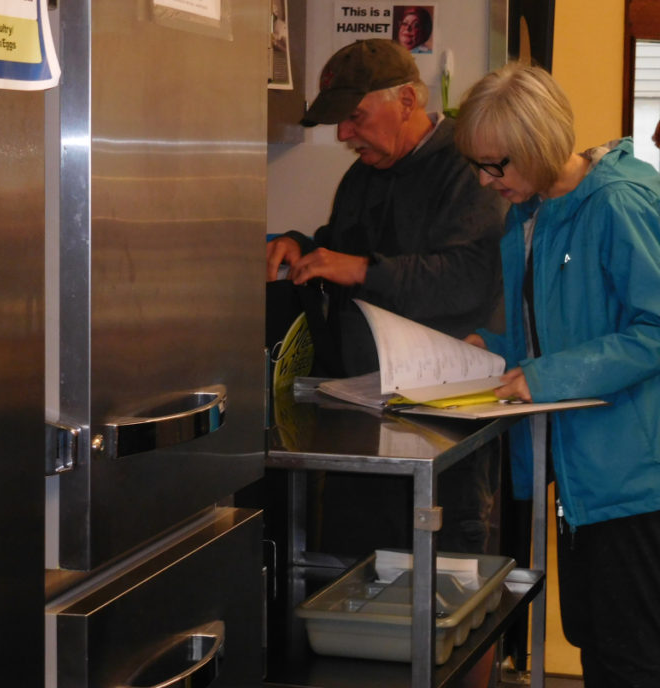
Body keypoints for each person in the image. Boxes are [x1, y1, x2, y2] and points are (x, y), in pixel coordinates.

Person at [266, 39, 506, 685]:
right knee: (354, 576)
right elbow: (339, 251)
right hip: (360, 421)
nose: (345, 134)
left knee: (454, 586)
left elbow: (470, 280)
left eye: (356, 117)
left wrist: (363, 269)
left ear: (409, 100)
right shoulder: (360, 178)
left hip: (444, 420)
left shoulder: (465, 167)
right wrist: (301, 244)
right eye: (338, 122)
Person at [455, 62, 660, 687]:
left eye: (498, 165)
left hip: (633, 483)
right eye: (479, 166)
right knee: (596, 643)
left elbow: (654, 329)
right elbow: (548, 335)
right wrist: (484, 353)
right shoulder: (531, 214)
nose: (488, 182)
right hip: (580, 480)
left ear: (540, 145)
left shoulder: (618, 201)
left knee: (631, 660)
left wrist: (545, 378)